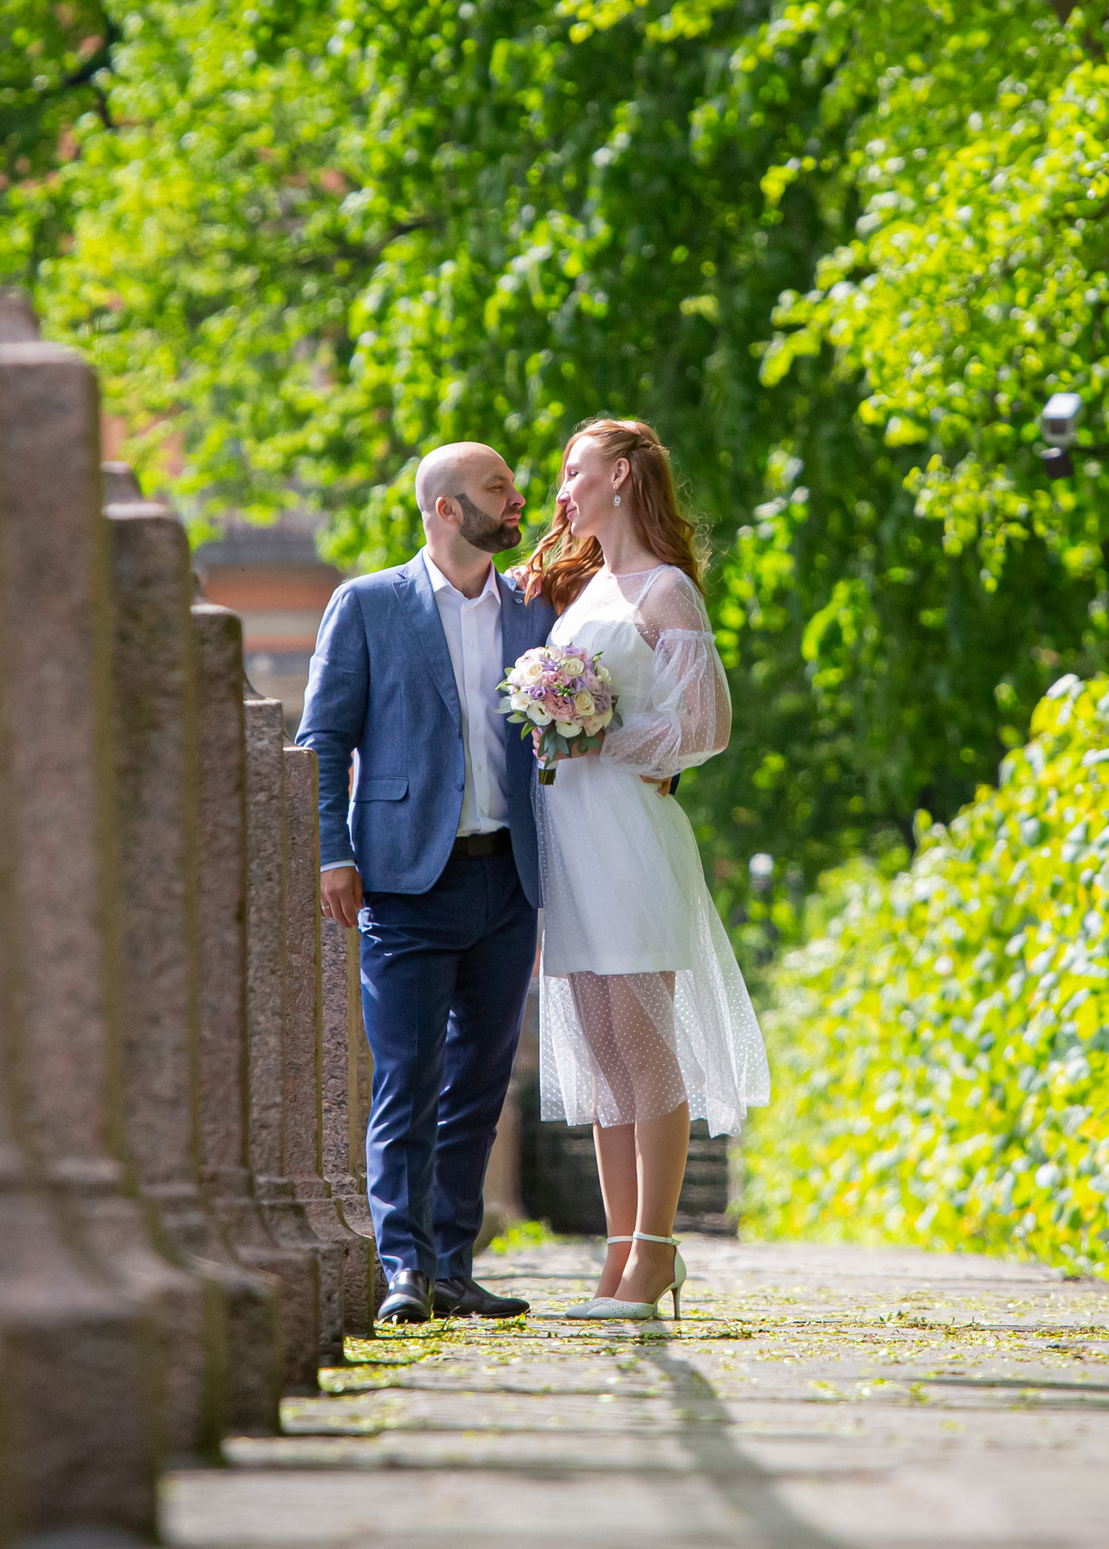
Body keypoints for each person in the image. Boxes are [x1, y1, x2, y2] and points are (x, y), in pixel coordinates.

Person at [515, 419, 771, 1320]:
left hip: (629, 832)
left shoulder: (665, 592)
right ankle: (619, 1249)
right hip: (571, 840)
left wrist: (600, 734)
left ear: (621, 476)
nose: (564, 489)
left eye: (575, 472)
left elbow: (706, 726)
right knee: (597, 1048)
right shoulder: (577, 591)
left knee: (640, 1042)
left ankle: (656, 1254)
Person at [299, 442, 554, 1324]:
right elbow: (325, 738)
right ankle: (401, 1265)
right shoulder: (367, 604)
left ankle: (452, 1262)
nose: (518, 500)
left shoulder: (533, 606)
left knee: (479, 1083)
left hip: (508, 877)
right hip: (405, 879)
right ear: (446, 508)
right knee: (407, 1078)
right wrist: (334, 851)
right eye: (498, 488)